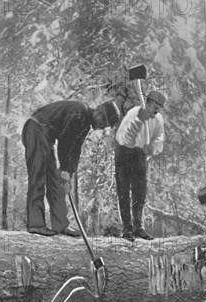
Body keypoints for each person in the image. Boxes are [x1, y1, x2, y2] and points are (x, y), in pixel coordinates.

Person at [22, 99, 122, 236]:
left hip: (46, 136)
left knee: (55, 183)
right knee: (38, 177)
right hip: (35, 129)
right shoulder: (78, 112)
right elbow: (65, 141)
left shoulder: (85, 125)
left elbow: (75, 150)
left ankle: (60, 225)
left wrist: (69, 172)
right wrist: (64, 169)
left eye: (105, 126)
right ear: (99, 112)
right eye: (103, 122)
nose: (101, 127)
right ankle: (36, 224)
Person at [114, 89, 166, 241]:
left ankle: (138, 227)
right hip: (124, 153)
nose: (157, 110)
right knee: (123, 191)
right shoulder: (134, 113)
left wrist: (153, 149)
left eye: (159, 107)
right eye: (155, 106)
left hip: (140, 156)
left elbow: (159, 140)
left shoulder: (158, 120)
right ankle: (127, 228)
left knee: (140, 192)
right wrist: (138, 122)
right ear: (148, 103)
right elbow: (122, 138)